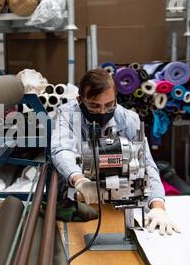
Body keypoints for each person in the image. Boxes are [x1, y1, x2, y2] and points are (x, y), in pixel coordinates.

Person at [51, 68, 181, 236]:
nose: (103, 111)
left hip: (119, 199)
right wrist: (79, 180)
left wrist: (158, 206)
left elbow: (146, 164)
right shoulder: (67, 115)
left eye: (109, 104)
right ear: (80, 100)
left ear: (116, 99)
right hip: (78, 196)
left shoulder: (129, 119)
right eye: (94, 106)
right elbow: (61, 150)